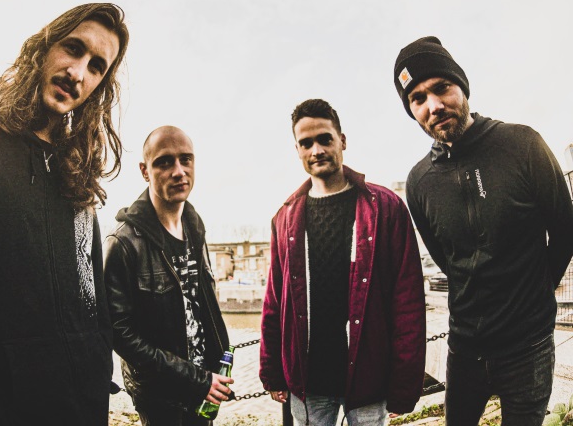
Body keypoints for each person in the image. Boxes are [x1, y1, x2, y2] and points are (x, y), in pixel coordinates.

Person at [0, 3, 129, 425]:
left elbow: (92, 295)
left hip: (84, 410)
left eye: (96, 66)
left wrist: (98, 372)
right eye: (73, 48)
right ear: (44, 47)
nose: (78, 72)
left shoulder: (76, 170)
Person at [393, 36, 573, 426]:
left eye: (442, 87)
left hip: (528, 347)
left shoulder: (522, 144)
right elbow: (447, 260)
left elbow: (565, 230)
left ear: (462, 86)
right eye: (418, 99)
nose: (434, 105)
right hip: (464, 348)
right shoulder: (419, 181)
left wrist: (536, 294)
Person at [259, 99, 426, 426]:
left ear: (342, 141)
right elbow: (275, 301)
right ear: (297, 150)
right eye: (306, 143)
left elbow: (407, 301)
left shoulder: (386, 208)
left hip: (368, 379)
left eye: (325, 139)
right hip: (309, 382)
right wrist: (271, 371)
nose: (316, 150)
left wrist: (404, 383)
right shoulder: (284, 218)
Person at [104, 126, 232, 426]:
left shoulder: (194, 227)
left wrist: (213, 369)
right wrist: (193, 379)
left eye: (186, 159)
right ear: (144, 171)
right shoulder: (123, 243)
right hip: (160, 395)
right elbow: (119, 333)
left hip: (205, 385)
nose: (178, 171)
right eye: (164, 162)